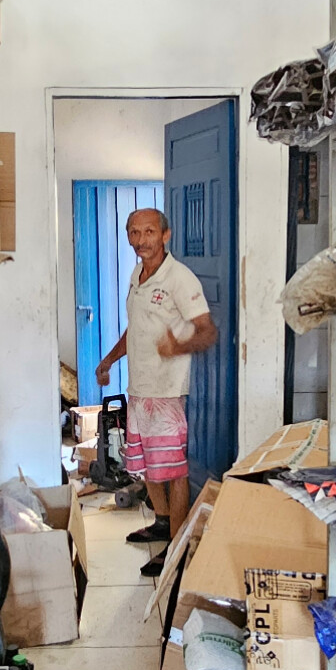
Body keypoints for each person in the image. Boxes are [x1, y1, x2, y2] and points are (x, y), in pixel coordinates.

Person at [96, 201, 215, 543]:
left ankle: (176, 546)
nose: (141, 240)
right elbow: (135, 328)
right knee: (148, 464)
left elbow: (207, 331)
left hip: (167, 392)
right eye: (134, 232)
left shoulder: (179, 278)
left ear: (165, 235)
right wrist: (109, 360)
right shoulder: (137, 275)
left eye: (149, 232)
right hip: (140, 387)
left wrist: (177, 347)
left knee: (174, 471)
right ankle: (163, 523)